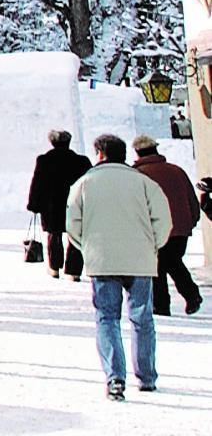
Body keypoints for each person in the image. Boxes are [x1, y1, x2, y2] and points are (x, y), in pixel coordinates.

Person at [65, 133, 171, 401]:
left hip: (102, 260)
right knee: (142, 319)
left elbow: (72, 223)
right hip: (140, 260)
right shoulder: (144, 183)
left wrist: (87, 247)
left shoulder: (84, 183)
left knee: (107, 318)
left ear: (99, 153)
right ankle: (146, 377)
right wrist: (151, 246)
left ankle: (115, 378)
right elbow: (163, 220)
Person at [131, 135, 201, 317]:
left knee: (157, 266)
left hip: (153, 229)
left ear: (137, 153)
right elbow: (191, 198)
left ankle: (163, 304)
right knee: (172, 261)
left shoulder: (137, 175)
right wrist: (192, 220)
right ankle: (190, 295)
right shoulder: (176, 170)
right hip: (180, 228)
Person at [25, 130, 91, 280]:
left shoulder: (44, 160)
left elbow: (37, 184)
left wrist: (34, 204)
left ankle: (54, 268)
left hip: (51, 206)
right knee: (75, 237)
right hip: (75, 204)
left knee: (53, 236)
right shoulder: (81, 161)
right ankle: (73, 271)